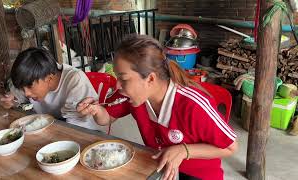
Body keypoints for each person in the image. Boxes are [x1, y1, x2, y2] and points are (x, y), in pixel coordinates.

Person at [76, 35, 237, 180]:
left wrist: (184, 150)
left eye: (123, 78)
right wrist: (96, 110)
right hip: (159, 169)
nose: (117, 86)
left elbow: (231, 147)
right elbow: (106, 118)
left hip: (198, 176)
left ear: (150, 79)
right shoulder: (131, 95)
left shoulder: (193, 105)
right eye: (116, 77)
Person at [0, 47, 102, 130]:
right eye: (23, 88)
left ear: (49, 79)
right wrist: (10, 100)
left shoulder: (75, 81)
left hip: (84, 134)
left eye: (30, 87)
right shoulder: (34, 78)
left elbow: (74, 129)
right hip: (53, 130)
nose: (26, 93)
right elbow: (15, 96)